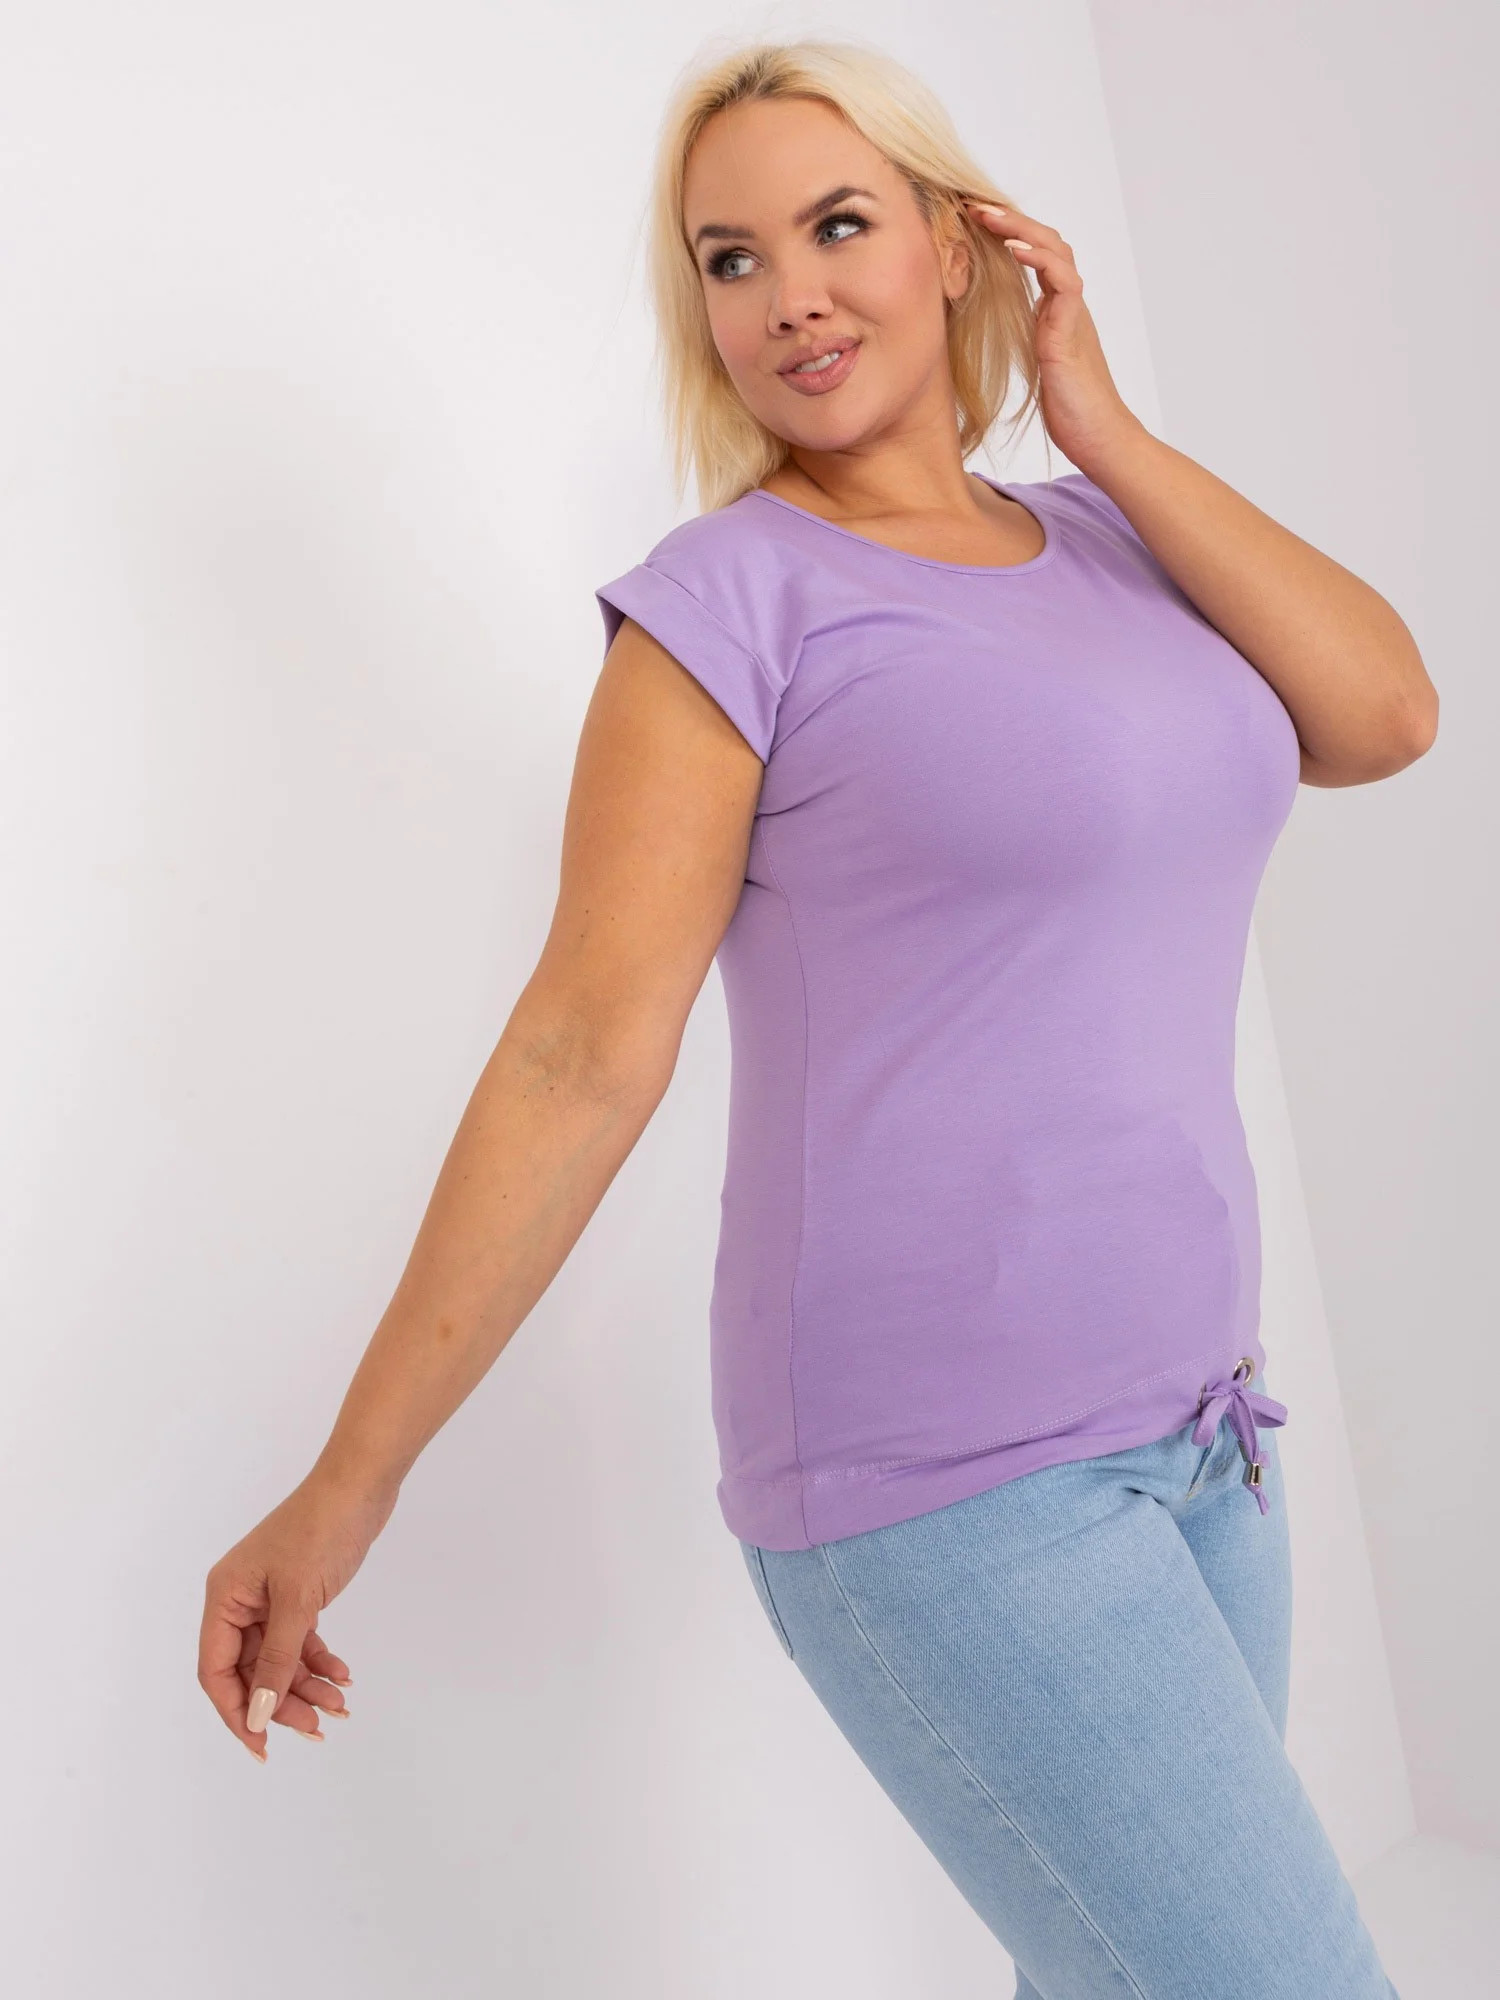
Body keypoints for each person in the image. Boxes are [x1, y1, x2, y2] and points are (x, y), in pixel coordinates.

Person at [198, 35, 1434, 1998]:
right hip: (949, 1485)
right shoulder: (730, 606)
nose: (790, 295)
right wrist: (351, 1481)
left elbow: (1385, 712)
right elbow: (579, 1055)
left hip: (1207, 1431)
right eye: (732, 258)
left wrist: (1101, 425)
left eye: (839, 226)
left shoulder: (1117, 540)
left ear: (958, 241)